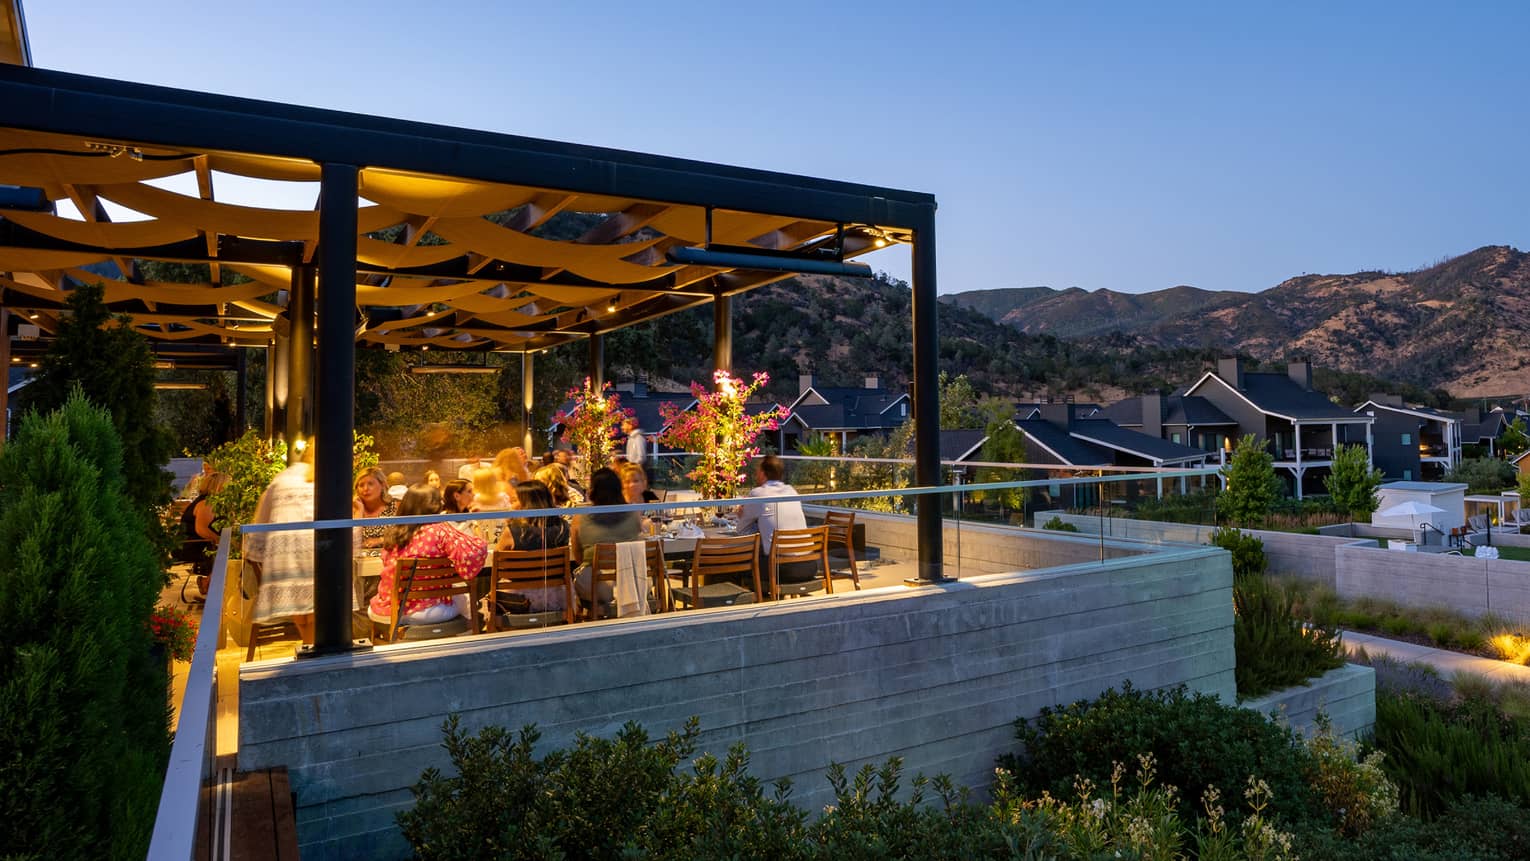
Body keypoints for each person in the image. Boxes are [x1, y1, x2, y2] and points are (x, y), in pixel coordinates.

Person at [370, 484, 487, 628]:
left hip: (387, 609)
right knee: (465, 599)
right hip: (427, 610)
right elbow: (474, 552)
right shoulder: (439, 531)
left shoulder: (393, 531)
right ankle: (467, 637)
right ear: (435, 505)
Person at [244, 452, 319, 645]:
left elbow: (261, 519)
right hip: (314, 553)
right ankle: (311, 649)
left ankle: (308, 646)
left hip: (284, 557)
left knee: (304, 615)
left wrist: (254, 553)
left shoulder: (282, 478)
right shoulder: (324, 479)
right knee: (315, 610)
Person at [495, 479, 572, 613]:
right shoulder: (562, 527)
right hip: (557, 594)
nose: (511, 505)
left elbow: (497, 561)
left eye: (514, 500)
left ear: (527, 504)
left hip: (518, 598)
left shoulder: (513, 531)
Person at [736, 455, 815, 585]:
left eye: (757, 471)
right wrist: (765, 529)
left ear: (762, 473)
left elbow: (742, 531)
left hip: (780, 569)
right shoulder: (792, 491)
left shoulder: (758, 494)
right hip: (809, 565)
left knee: (736, 564)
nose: (756, 474)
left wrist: (742, 516)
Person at [570, 467, 642, 605]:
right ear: (619, 489)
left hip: (596, 586)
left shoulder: (579, 518)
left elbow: (578, 557)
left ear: (593, 490)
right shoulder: (634, 514)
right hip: (632, 583)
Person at [176, 471, 230, 583]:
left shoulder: (208, 501)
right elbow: (202, 530)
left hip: (197, 544)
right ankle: (209, 584)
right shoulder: (206, 503)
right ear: (219, 486)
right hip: (193, 546)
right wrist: (222, 541)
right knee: (228, 553)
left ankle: (210, 583)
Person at [353, 467, 397, 548]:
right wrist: (359, 511)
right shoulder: (352, 509)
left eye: (370, 484)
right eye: (361, 485)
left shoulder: (395, 506)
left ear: (382, 485)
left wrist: (381, 540)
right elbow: (352, 541)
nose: (365, 489)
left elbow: (405, 535)